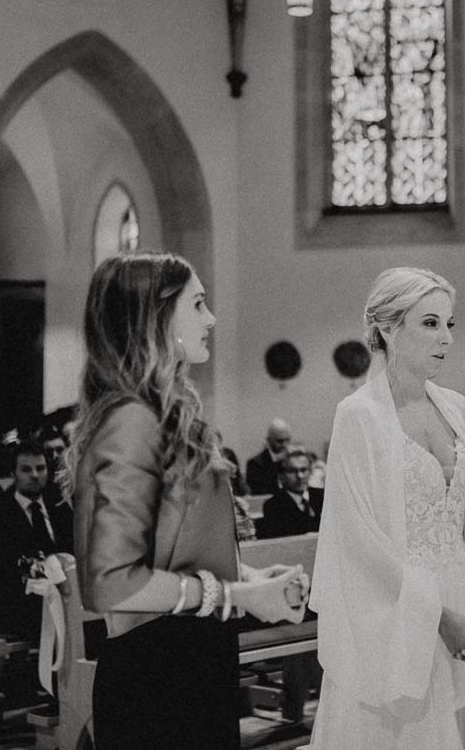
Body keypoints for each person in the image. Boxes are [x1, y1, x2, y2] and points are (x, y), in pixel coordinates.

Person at [71, 252, 305, 750]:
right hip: (154, 678)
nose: (212, 318)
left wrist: (251, 581)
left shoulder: (166, 415)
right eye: (197, 304)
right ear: (156, 317)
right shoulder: (130, 420)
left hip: (197, 662)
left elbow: (177, 551)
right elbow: (112, 583)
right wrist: (234, 597)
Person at [310, 267, 465, 750]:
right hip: (394, 616)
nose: (446, 338)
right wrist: (441, 618)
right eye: (430, 323)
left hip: (460, 609)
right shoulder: (359, 417)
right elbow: (359, 543)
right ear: (388, 330)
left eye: (449, 324)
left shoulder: (461, 410)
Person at [0, 441, 74, 639]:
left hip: (67, 592)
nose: (35, 475)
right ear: (13, 474)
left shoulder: (60, 506)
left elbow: (74, 549)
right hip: (21, 601)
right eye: (26, 470)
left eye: (40, 468)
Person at [257, 449, 321, 538]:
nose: (300, 476)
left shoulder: (323, 496)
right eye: (292, 471)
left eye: (304, 470)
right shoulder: (273, 505)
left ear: (310, 471)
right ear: (281, 475)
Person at [246, 419, 294, 495]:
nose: (284, 445)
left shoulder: (294, 460)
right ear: (269, 440)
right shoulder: (255, 464)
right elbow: (258, 494)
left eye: (287, 440)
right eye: (279, 441)